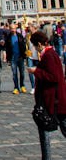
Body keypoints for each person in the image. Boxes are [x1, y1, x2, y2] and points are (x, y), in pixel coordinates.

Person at [27, 30, 66, 160]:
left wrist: (36, 71)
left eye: (34, 45)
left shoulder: (49, 55)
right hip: (52, 100)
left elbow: (53, 77)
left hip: (54, 101)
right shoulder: (50, 53)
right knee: (46, 129)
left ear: (39, 44)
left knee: (49, 129)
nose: (35, 49)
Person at [5, 23, 27, 94]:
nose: (13, 30)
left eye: (14, 28)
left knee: (22, 73)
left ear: (16, 28)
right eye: (11, 28)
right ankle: (16, 87)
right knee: (14, 74)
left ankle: (22, 85)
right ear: (10, 29)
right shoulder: (8, 37)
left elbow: (23, 46)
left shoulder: (20, 36)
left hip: (20, 57)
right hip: (13, 57)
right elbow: (7, 49)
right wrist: (8, 59)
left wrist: (24, 56)